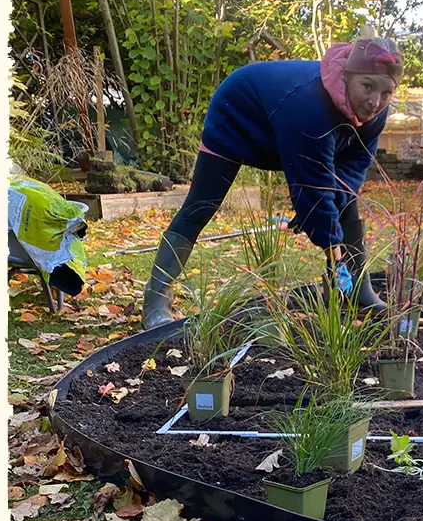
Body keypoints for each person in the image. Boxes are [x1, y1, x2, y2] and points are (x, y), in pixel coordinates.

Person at [141, 37, 403, 330]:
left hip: (286, 128)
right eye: (367, 86)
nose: (375, 101)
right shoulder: (309, 104)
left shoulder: (376, 112)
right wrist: (332, 251)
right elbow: (313, 189)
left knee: (346, 200)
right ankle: (155, 300)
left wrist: (329, 210)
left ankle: (359, 289)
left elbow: (352, 170)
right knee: (201, 205)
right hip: (238, 115)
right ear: (347, 75)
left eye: (386, 92)